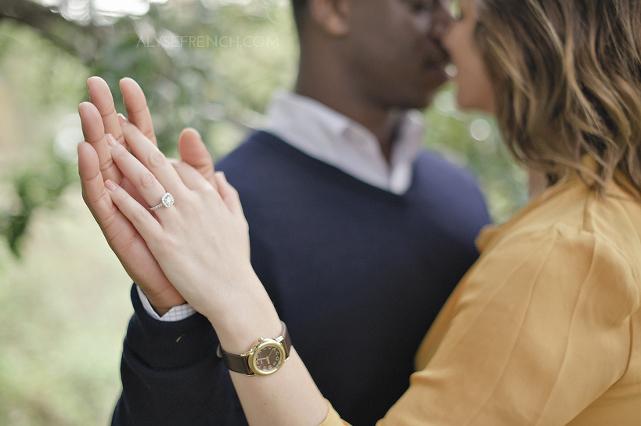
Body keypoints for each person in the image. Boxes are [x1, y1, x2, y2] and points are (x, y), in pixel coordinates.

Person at [83, 0, 641, 423]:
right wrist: (169, 316)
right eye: (422, 6)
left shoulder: (462, 196)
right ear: (334, 8)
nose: (446, 28)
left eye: (457, 11)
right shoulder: (224, 209)